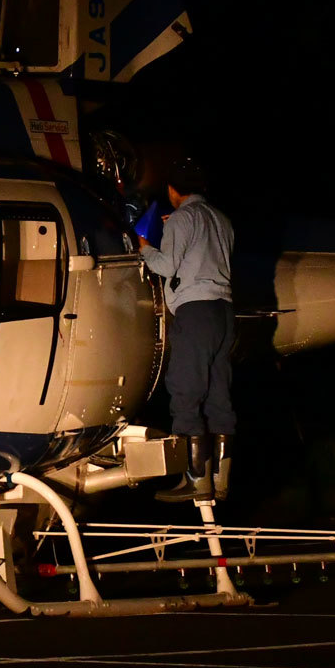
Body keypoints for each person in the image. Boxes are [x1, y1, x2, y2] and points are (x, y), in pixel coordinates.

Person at [137, 157, 236, 503]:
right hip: (225, 313)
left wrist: (145, 248)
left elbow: (166, 265)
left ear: (173, 190)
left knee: (186, 389)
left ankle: (195, 479)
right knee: (218, 394)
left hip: (195, 312)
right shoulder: (222, 220)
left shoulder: (182, 218)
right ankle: (221, 480)